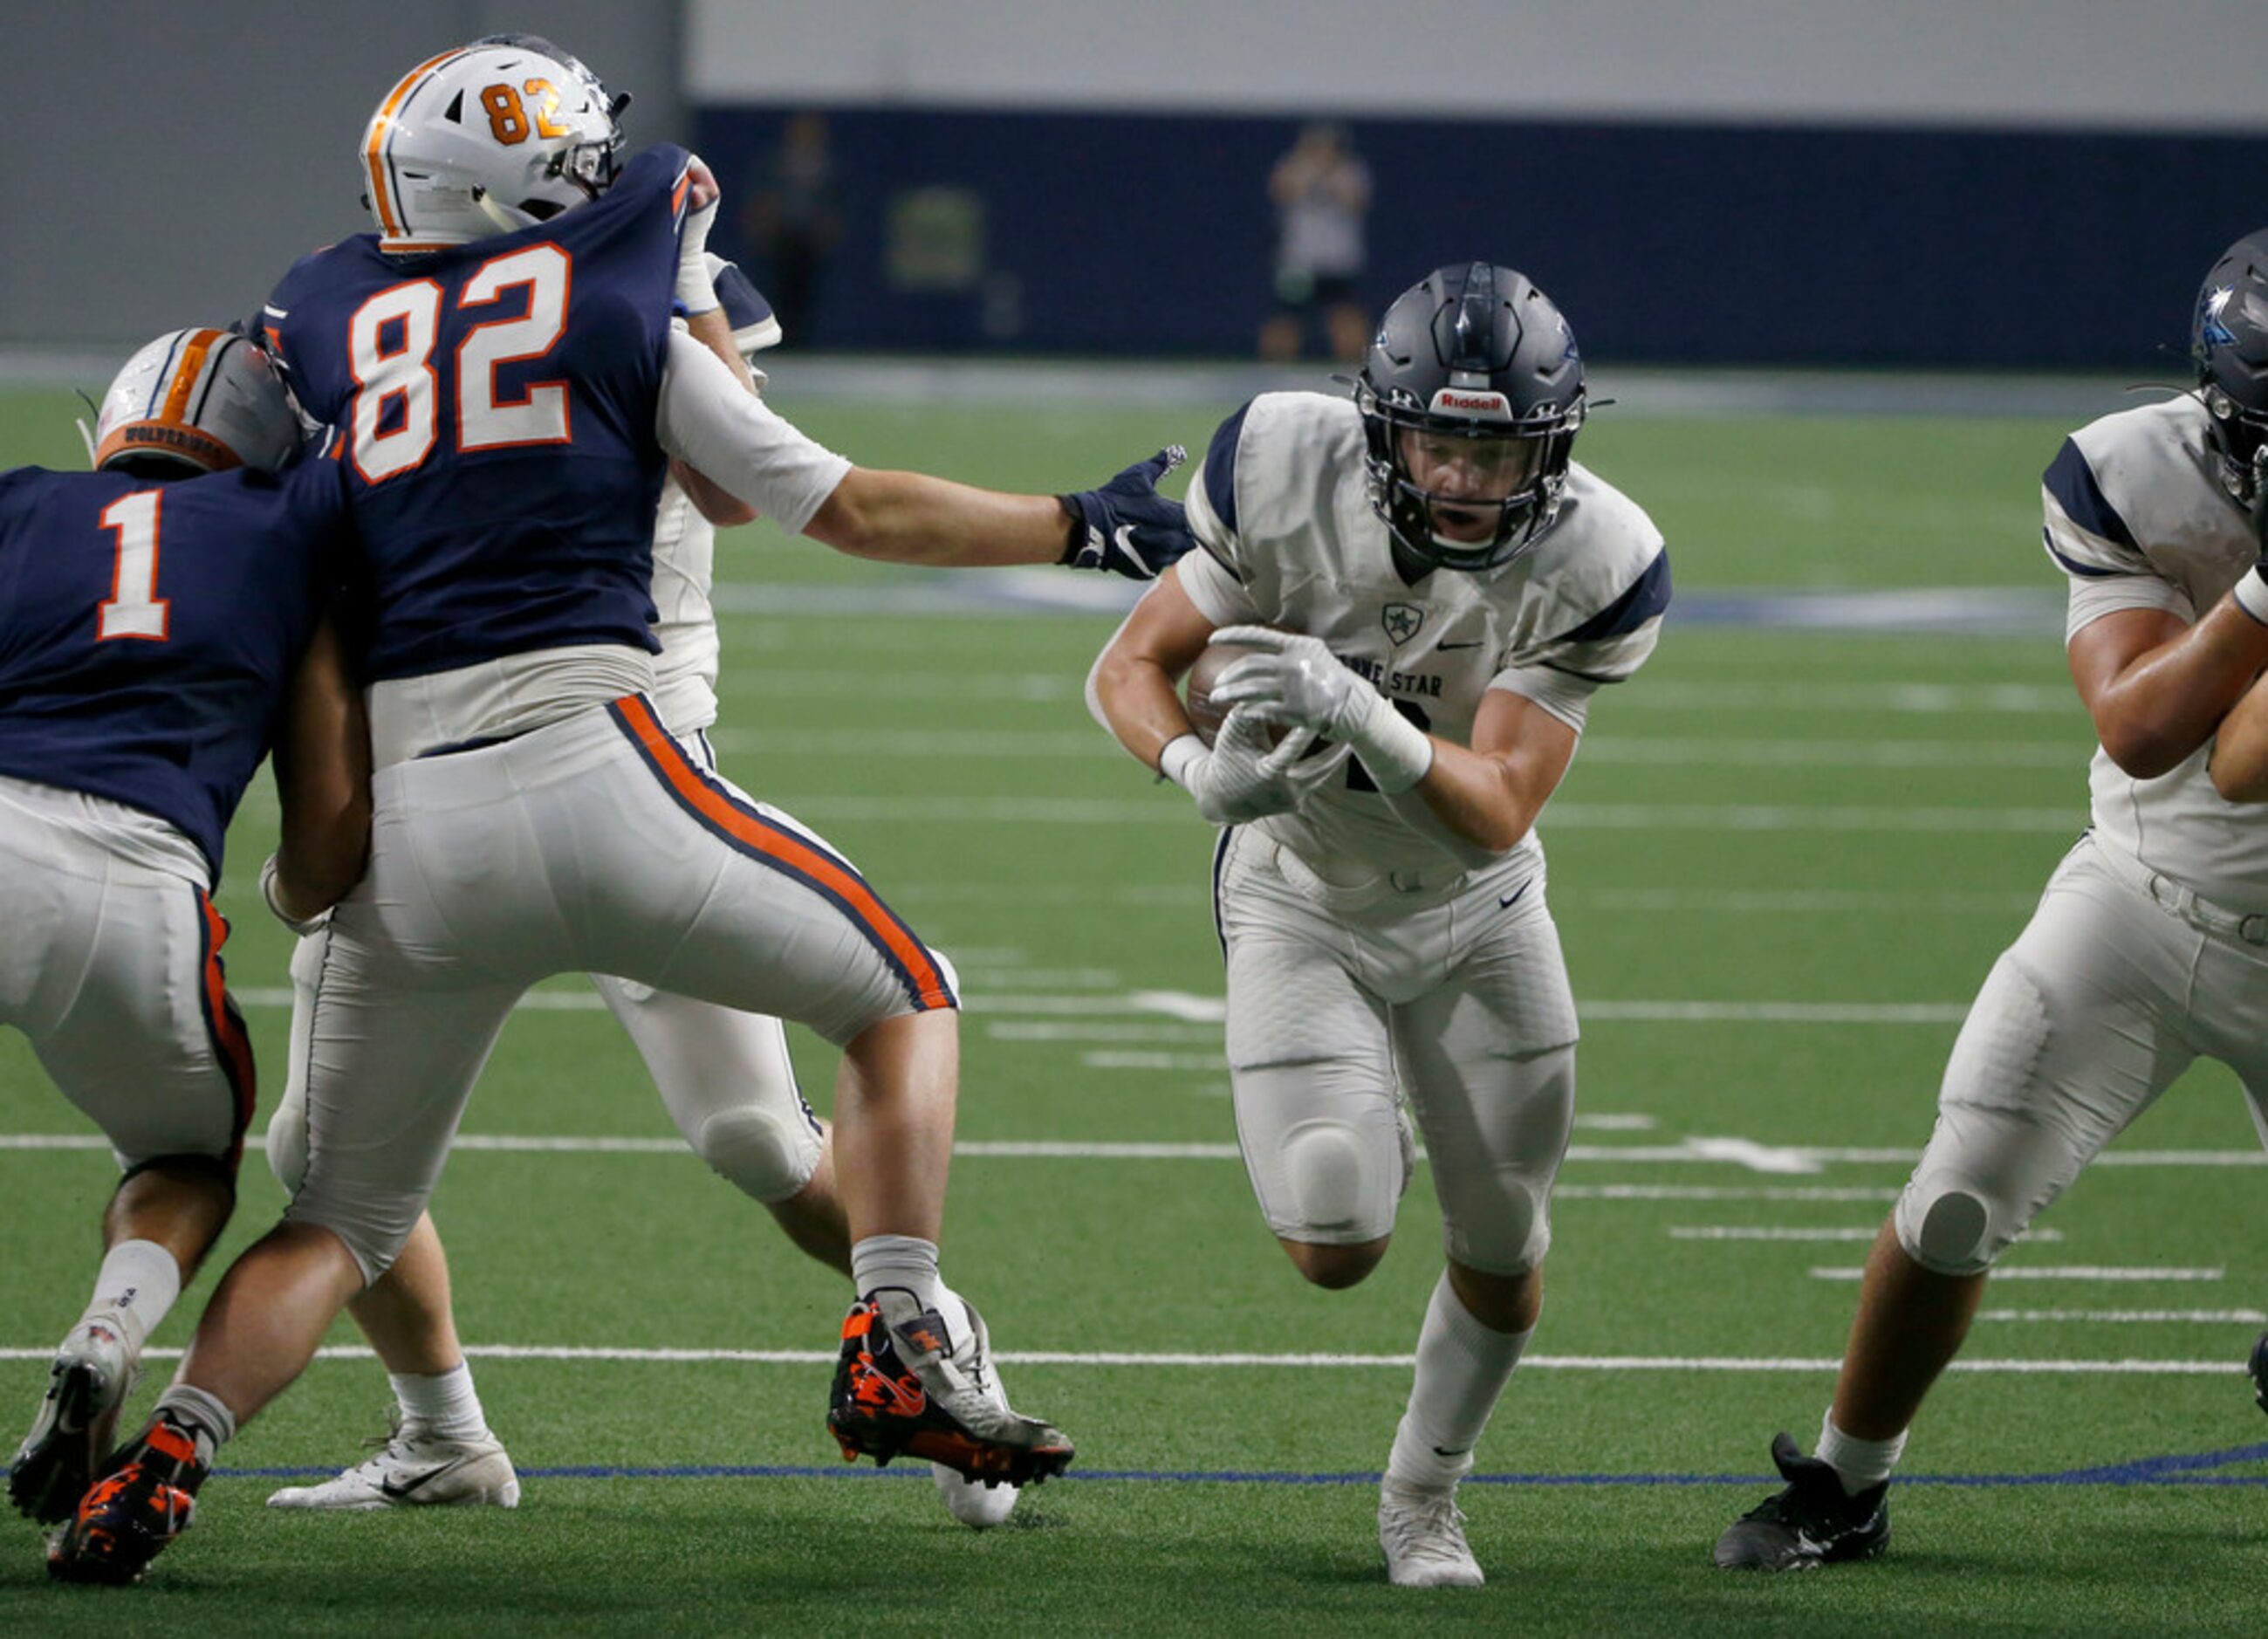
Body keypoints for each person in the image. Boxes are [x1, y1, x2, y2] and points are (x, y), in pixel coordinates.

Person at [47, 33, 1189, 1585]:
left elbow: (280, 566)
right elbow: (806, 490)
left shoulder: (332, 315)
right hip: (603, 776)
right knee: (883, 996)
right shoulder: (602, 309)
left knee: (576, 1158)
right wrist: (1076, 525)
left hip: (478, 803)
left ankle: (181, 1441)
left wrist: (298, 837)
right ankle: (744, 1362)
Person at [263, 260, 1014, 1530]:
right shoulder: (521, 387)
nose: (745, 378)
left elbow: (730, 476)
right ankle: (444, 1435)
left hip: (633, 798)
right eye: (729, 349)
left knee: (755, 1138)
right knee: (312, 1153)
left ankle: (932, 1337)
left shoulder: (597, 407)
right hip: (450, 813)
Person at [1091, 262, 1670, 1587]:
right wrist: (1196, 770)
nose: (1466, 474)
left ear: (1554, 441)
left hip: (1477, 912)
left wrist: (1361, 711)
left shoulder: (1600, 558)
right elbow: (1126, 666)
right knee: (1332, 1233)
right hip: (1297, 889)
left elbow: (1501, 808)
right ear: (1379, 427)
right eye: (1440, 438)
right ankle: (1371, 1101)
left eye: (1497, 445)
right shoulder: (1278, 462)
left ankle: (1422, 1494)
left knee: (1502, 1243)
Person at [1714, 229, 2268, 1572]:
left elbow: (2251, 757)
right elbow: (2146, 729)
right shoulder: (2128, 469)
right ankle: (1844, 1482)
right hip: (2137, 904)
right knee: (1956, 1194)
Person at [3, 332, 368, 1526]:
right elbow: (324, 832)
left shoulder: (23, 506)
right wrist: (295, 895)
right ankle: (111, 1325)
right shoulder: (293, 535)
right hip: (135, 884)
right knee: (183, 1158)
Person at [1258, 122, 1372, 365]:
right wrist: (1312, 173)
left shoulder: (1349, 172)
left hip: (1336, 260)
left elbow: (1356, 202)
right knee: (1287, 315)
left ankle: (1355, 366)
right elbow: (1281, 191)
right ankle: (1274, 366)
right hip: (1300, 259)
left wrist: (1330, 180)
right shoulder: (1294, 167)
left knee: (1344, 314)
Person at [742, 111, 842, 346]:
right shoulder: (778, 164)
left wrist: (828, 231)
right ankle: (778, 337)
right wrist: (762, 226)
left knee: (804, 293)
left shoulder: (824, 168)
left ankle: (800, 339)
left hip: (808, 240)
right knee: (779, 289)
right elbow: (762, 198)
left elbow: (833, 204)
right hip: (783, 238)